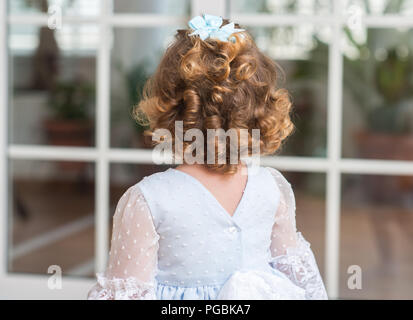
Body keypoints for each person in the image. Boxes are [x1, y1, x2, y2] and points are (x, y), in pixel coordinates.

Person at [87, 14, 328, 300]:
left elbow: (127, 294)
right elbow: (302, 280)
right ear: (259, 108)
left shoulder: (148, 200)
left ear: (170, 107)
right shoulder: (271, 187)